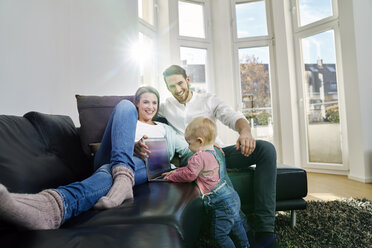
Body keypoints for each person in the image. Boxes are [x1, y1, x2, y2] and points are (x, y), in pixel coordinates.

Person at [0, 86, 192, 230]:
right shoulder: (128, 117)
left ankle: (53, 207)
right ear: (138, 104)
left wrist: (206, 149)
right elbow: (112, 142)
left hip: (144, 165)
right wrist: (132, 146)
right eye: (145, 102)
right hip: (113, 157)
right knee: (123, 106)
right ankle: (124, 179)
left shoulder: (165, 129)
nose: (150, 107)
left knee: (109, 172)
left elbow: (188, 152)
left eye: (154, 103)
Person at [158, 65, 277, 247]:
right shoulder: (164, 107)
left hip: (218, 151)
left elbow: (233, 116)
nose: (178, 89)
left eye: (180, 83)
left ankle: (264, 229)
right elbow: (147, 119)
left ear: (188, 80)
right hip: (191, 157)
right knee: (206, 157)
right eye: (171, 86)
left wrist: (244, 132)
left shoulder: (207, 99)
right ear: (167, 87)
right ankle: (246, 230)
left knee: (266, 149)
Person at [163, 117, 249, 248]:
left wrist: (172, 176)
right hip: (231, 196)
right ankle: (246, 245)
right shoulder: (215, 151)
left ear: (199, 141)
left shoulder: (198, 157)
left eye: (189, 143)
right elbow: (189, 169)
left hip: (221, 202)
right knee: (237, 226)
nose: (188, 147)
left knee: (219, 236)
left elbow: (189, 174)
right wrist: (176, 171)